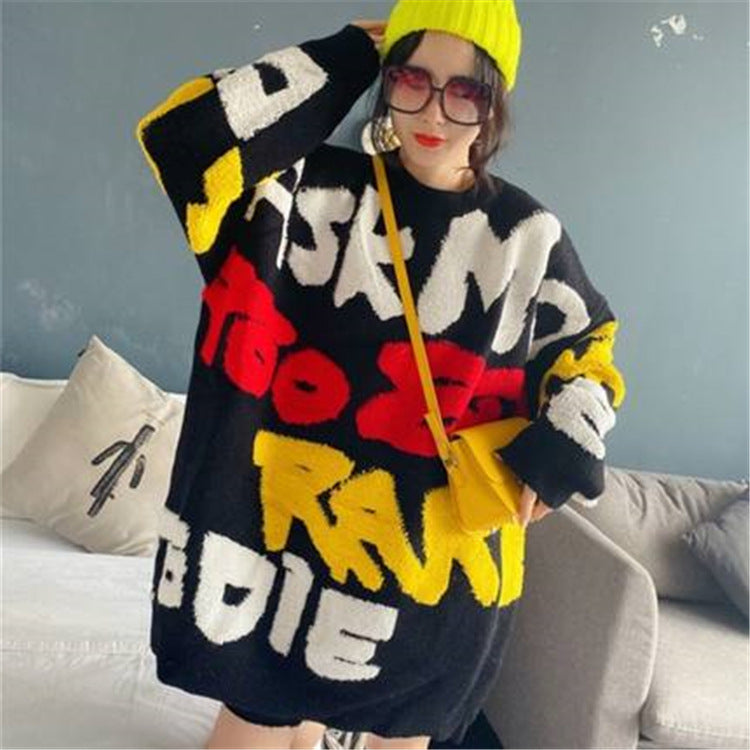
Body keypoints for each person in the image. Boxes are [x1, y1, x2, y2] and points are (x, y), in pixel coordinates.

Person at [134, 1, 627, 748]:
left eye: (466, 90)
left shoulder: (527, 236)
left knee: (401, 733)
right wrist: (346, 55)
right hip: (275, 548)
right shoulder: (301, 187)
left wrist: (558, 456)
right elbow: (185, 137)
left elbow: (588, 351)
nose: (433, 111)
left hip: (431, 567)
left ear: (496, 103)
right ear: (387, 78)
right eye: (412, 77)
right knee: (258, 720)